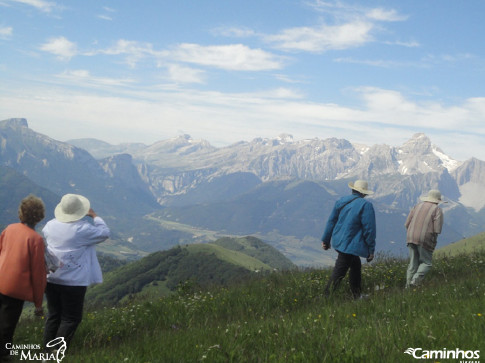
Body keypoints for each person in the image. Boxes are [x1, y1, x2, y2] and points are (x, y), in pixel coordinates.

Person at [42, 194, 110, 351]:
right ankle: (57, 351)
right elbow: (105, 233)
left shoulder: (50, 225)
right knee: (71, 318)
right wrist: (94, 216)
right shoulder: (82, 229)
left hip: (51, 278)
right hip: (74, 282)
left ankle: (46, 350)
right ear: (80, 211)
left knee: (54, 315)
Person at [0, 195, 46, 360]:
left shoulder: (9, 228)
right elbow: (38, 274)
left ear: (21, 212)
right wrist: (38, 304)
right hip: (15, 290)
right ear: (39, 216)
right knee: (6, 328)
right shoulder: (36, 240)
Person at [321, 180, 376, 299]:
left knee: (355, 265)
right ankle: (325, 297)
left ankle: (357, 295)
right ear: (364, 193)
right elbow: (369, 229)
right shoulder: (366, 205)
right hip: (350, 243)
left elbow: (331, 221)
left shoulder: (341, 201)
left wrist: (326, 240)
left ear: (353, 190)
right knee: (340, 271)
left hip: (339, 240)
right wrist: (371, 249)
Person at [405, 189, 444, 288]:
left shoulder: (417, 206)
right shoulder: (437, 209)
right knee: (426, 263)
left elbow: (406, 223)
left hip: (410, 236)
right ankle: (415, 281)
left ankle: (408, 286)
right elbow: (437, 229)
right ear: (437, 200)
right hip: (424, 238)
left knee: (413, 263)